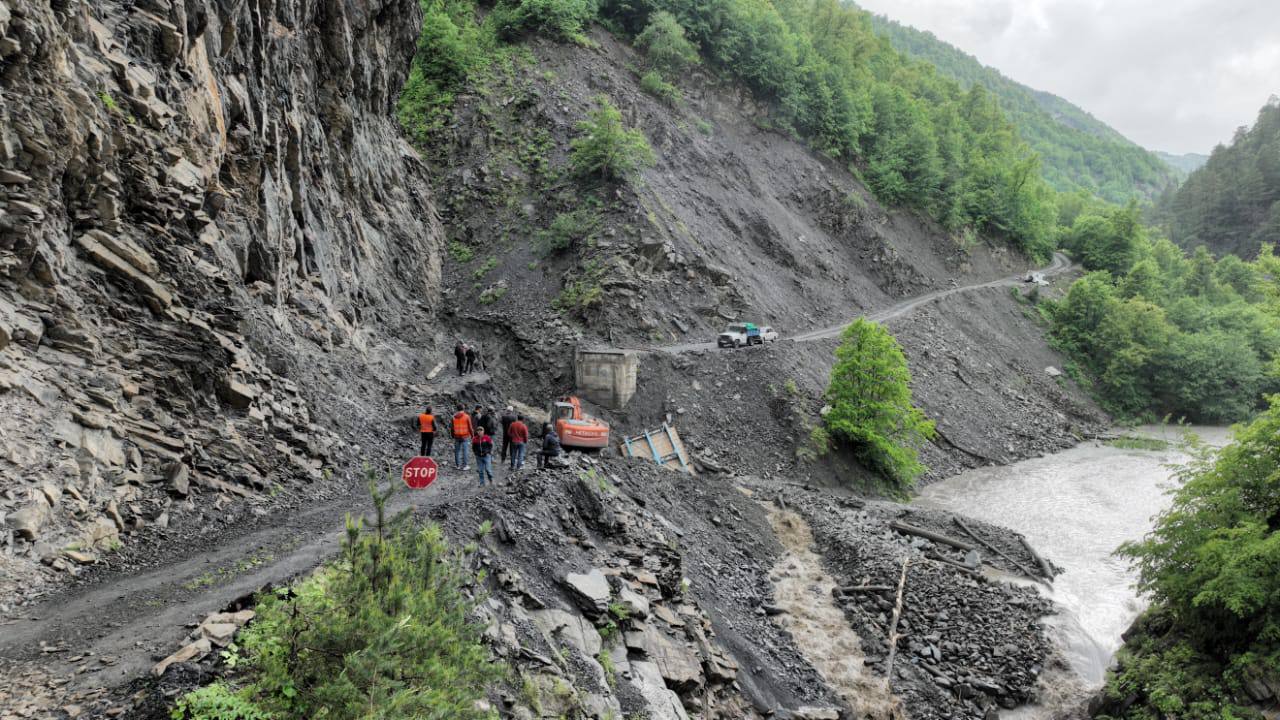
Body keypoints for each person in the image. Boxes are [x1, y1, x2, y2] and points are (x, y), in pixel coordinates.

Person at [451, 406, 473, 470]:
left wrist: (452, 435)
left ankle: (458, 465)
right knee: (465, 451)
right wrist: (472, 435)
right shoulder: (467, 416)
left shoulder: (453, 417)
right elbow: (470, 427)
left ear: (457, 409)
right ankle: (465, 465)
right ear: (463, 409)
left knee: (457, 451)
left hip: (457, 436)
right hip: (465, 436)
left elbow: (452, 428)